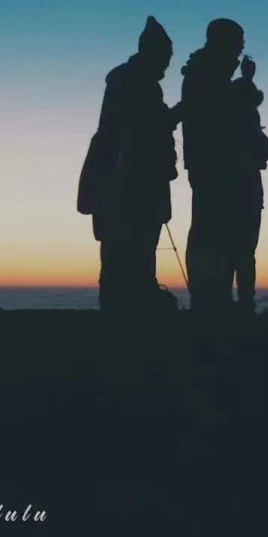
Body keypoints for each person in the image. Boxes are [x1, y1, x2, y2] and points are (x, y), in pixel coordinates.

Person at [78, 16, 182, 316]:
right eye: (165, 57)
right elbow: (145, 128)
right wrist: (179, 113)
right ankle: (128, 313)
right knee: (129, 250)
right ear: (152, 52)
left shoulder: (132, 81)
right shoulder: (136, 83)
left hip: (124, 182)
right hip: (129, 185)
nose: (167, 65)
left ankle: (126, 308)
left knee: (127, 252)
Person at [179, 18, 246, 314]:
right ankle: (209, 298)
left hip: (212, 164)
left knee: (215, 231)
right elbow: (216, 120)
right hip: (212, 166)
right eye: (237, 42)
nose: (241, 48)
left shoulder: (208, 73)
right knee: (210, 232)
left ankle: (213, 296)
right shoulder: (207, 76)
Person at [227, 56, 268, 312]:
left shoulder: (237, 117)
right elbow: (263, 148)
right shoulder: (243, 120)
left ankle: (240, 302)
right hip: (244, 192)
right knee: (243, 251)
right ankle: (244, 304)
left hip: (243, 191)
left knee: (239, 251)